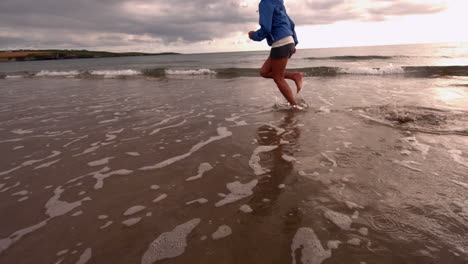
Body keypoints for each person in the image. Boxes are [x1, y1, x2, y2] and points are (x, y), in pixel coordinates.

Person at [249, 0, 303, 108]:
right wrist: (294, 42)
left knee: (278, 78)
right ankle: (294, 76)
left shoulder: (265, 3)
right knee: (264, 72)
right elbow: (291, 24)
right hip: (287, 41)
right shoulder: (278, 3)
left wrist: (254, 35)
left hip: (280, 42)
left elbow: (267, 28)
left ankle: (295, 107)